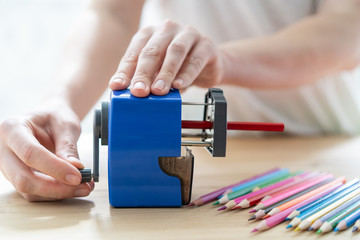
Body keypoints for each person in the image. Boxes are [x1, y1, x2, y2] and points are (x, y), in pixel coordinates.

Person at [0, 0, 359, 201]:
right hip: (202, 164)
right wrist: (58, 101)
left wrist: (226, 61)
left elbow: (348, 27)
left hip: (323, 152)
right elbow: (112, 12)